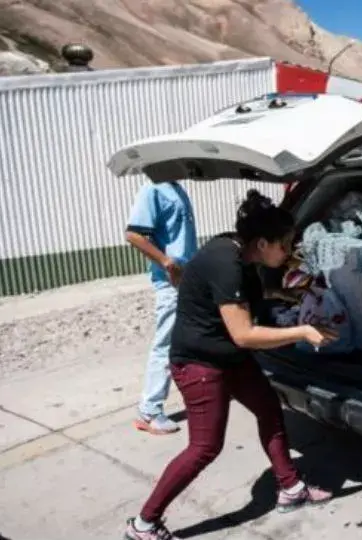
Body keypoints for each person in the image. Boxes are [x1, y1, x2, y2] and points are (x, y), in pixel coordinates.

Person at [124, 190, 337, 540]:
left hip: (227, 356)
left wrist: (280, 295)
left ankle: (290, 488)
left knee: (269, 408)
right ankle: (145, 523)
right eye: (284, 245)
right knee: (204, 447)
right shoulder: (228, 263)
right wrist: (304, 331)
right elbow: (244, 333)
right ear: (264, 243)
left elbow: (235, 299)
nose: (289, 253)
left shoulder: (238, 250)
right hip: (200, 364)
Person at [126, 180, 198, 435]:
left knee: (189, 339)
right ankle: (149, 410)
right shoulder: (152, 190)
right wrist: (167, 262)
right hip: (170, 283)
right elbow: (133, 234)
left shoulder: (176, 188)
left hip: (187, 278)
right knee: (165, 343)